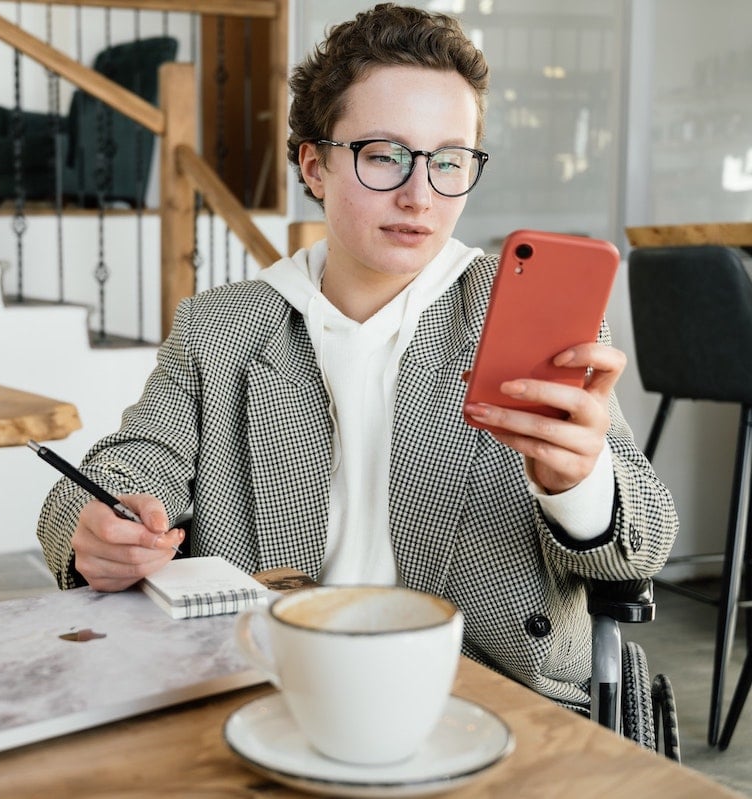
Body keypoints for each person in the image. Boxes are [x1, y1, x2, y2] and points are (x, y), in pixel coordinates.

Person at [36, 2, 677, 708]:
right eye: (384, 156)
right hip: (273, 685)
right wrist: (93, 530)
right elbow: (115, 471)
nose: (419, 194)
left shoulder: (526, 314)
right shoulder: (220, 329)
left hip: (489, 699)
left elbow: (642, 545)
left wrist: (579, 483)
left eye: (449, 161)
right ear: (314, 166)